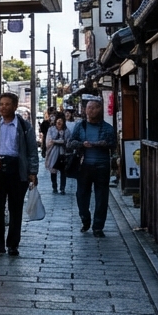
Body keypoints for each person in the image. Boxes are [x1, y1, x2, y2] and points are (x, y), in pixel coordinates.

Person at [0, 93, 39, 257]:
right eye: (1, 104)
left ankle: (13, 244)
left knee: (16, 209)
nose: (3, 107)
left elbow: (32, 150)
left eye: (7, 104)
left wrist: (33, 171)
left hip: (17, 169)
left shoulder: (24, 125)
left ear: (15, 106)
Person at [70, 98, 118, 237]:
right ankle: (85, 218)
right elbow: (71, 142)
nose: (90, 110)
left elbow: (113, 144)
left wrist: (104, 144)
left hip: (102, 165)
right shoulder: (80, 126)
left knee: (101, 197)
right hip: (84, 165)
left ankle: (98, 226)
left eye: (93, 107)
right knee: (81, 195)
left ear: (100, 109)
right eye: (88, 107)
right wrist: (81, 144)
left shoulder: (107, 128)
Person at [44, 115, 69, 194]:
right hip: (53, 153)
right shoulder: (51, 129)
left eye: (61, 121)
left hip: (63, 154)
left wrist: (56, 141)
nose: (59, 123)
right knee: (53, 170)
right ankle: (54, 186)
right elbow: (49, 141)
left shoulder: (66, 131)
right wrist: (59, 141)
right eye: (58, 121)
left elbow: (67, 142)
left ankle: (62, 188)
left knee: (63, 171)